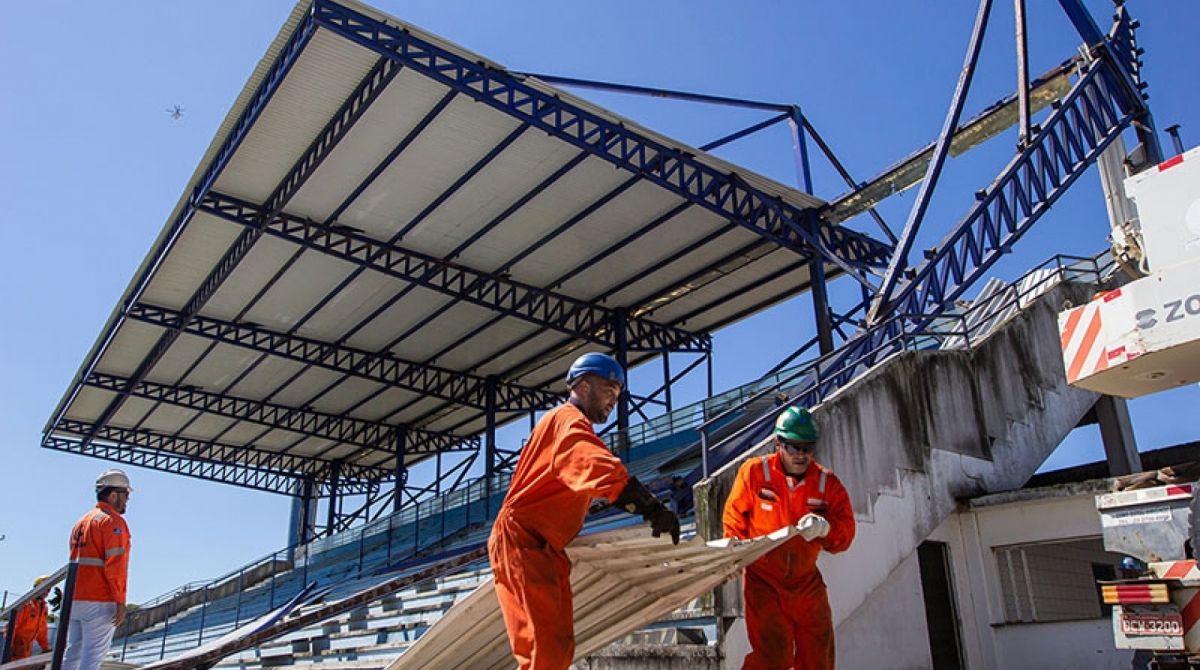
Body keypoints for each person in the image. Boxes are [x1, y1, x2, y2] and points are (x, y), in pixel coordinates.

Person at [488, 352, 681, 670]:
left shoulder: (571, 426)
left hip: (541, 544)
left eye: (618, 394)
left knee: (557, 647)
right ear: (583, 386)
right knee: (544, 650)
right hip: (523, 539)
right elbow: (591, 464)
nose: (613, 400)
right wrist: (649, 507)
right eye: (609, 390)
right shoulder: (567, 420)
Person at [722, 406, 855, 670]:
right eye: (794, 447)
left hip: (806, 583)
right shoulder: (754, 473)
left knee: (819, 659)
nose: (802, 455)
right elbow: (734, 519)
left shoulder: (827, 483)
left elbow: (846, 532)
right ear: (778, 444)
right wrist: (732, 556)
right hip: (763, 581)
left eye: (807, 447)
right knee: (773, 657)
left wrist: (825, 529)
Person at [63, 469, 134, 670]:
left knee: (72, 655)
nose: (127, 500)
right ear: (113, 495)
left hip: (75, 598)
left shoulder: (82, 522)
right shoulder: (112, 521)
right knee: (92, 658)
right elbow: (116, 565)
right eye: (126, 494)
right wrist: (120, 601)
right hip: (99, 599)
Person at [9, 576, 51, 659]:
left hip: (27, 648)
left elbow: (42, 631)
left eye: (49, 589)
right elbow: (12, 626)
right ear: (37, 587)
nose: (47, 592)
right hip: (16, 646)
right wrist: (8, 647)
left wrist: (45, 648)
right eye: (45, 587)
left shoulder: (43, 608)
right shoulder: (26, 604)